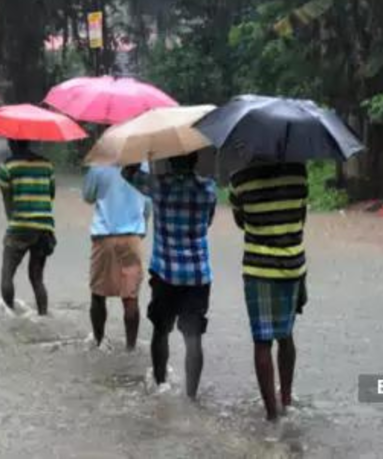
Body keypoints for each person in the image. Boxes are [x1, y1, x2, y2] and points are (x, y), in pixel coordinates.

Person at [122, 153, 217, 399]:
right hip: (197, 275)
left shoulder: (158, 185)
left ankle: (161, 383)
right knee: (193, 337)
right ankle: (191, 396)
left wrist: (138, 146)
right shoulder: (208, 188)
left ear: (171, 160)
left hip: (165, 274)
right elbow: (208, 222)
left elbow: (127, 173)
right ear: (196, 158)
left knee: (160, 330)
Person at [228, 161, 309, 422]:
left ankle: (272, 415)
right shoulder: (298, 172)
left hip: (258, 269)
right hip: (292, 266)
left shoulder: (239, 177)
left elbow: (241, 221)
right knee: (286, 336)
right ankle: (286, 399)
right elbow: (301, 217)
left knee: (262, 341)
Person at [82, 164, 151, 351]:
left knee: (98, 294)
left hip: (104, 237)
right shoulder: (143, 165)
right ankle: (130, 349)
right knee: (130, 298)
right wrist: (142, 226)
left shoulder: (98, 165)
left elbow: (88, 196)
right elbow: (148, 204)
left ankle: (98, 341)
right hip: (132, 238)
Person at [0, 140, 56, 316]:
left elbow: (7, 200)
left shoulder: (7, 167)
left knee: (7, 275)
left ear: (11, 144)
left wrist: (13, 220)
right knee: (37, 278)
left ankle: (11, 316)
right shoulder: (47, 165)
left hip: (20, 227)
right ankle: (43, 316)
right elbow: (50, 195)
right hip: (44, 227)